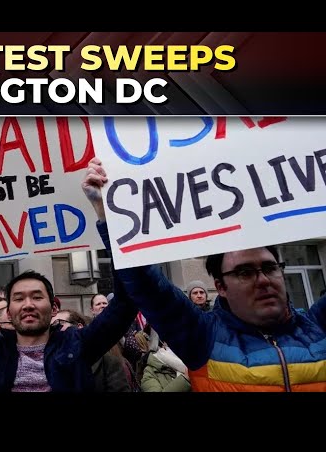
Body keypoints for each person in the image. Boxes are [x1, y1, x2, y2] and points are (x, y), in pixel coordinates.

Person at [82, 156, 326, 392]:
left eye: (270, 268)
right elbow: (146, 285)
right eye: (244, 272)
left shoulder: (318, 327)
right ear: (220, 286)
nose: (263, 280)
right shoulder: (203, 337)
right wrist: (111, 215)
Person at [0, 248, 138, 391]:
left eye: (37, 297)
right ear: (9, 313)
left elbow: (125, 304)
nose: (28, 304)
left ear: (53, 309)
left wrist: (106, 222)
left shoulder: (77, 345)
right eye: (19, 298)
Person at [52, 309, 131, 392]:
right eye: (51, 327)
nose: (54, 330)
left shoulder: (107, 361)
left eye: (59, 323)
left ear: (79, 327)